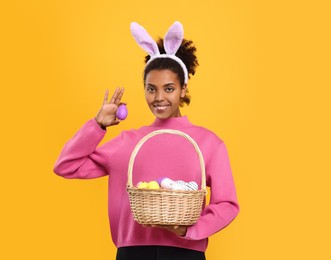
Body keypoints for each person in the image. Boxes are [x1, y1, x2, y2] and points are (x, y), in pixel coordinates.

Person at [54, 21, 239, 260]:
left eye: (169, 88)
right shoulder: (128, 142)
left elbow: (227, 204)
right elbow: (66, 166)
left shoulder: (208, 143)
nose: (159, 97)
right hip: (132, 253)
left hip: (186, 253)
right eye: (151, 89)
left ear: (183, 89)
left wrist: (190, 229)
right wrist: (97, 125)